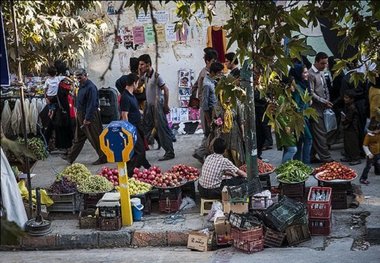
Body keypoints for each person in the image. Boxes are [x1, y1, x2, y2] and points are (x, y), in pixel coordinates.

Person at [63, 68, 107, 165]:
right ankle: (70, 157)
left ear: (85, 75)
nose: (78, 79)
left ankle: (103, 157)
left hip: (90, 115)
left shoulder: (91, 87)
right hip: (81, 114)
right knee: (79, 137)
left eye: (80, 77)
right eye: (77, 77)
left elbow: (92, 104)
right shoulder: (81, 87)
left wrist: (87, 118)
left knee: (95, 137)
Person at [138, 54, 175, 161]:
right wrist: (140, 74)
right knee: (146, 127)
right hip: (149, 106)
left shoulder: (157, 76)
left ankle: (169, 152)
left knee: (162, 129)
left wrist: (166, 105)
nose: (140, 66)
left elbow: (166, 90)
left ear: (148, 64)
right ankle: (155, 139)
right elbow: (138, 86)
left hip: (157, 107)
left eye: (142, 64)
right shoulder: (145, 76)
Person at [119, 73, 151, 175]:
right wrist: (128, 132)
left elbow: (134, 110)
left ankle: (146, 166)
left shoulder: (131, 95)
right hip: (132, 128)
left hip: (138, 125)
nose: (138, 85)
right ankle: (129, 173)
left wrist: (144, 113)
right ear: (134, 83)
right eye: (137, 82)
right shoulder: (125, 97)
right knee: (139, 150)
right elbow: (124, 115)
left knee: (142, 148)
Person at [308, 52, 334, 163]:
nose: (325, 66)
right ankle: (327, 159)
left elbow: (325, 87)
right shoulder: (311, 74)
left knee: (320, 134)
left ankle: (312, 156)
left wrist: (327, 100)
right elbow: (311, 93)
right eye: (322, 63)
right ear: (316, 62)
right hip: (315, 110)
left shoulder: (322, 72)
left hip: (323, 108)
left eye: (326, 63)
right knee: (321, 134)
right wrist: (324, 101)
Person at [290, 63, 313, 165]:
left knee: (299, 141)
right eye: (304, 72)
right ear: (299, 74)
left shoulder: (302, 84)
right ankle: (306, 165)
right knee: (308, 139)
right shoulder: (298, 87)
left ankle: (298, 165)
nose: (307, 74)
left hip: (303, 117)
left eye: (307, 72)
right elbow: (297, 105)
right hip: (300, 118)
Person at [340, 90, 361, 165]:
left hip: (352, 128)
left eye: (347, 98)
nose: (345, 99)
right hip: (348, 127)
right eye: (345, 97)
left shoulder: (352, 107)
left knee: (353, 143)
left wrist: (343, 119)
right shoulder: (348, 106)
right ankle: (348, 156)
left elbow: (349, 119)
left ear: (352, 99)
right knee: (347, 143)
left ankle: (356, 158)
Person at [53, 78, 74, 154]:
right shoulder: (66, 91)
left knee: (63, 130)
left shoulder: (59, 90)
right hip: (67, 114)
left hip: (63, 115)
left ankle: (64, 147)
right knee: (68, 130)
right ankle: (68, 146)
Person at [359, 119, 380, 184]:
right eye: (376, 130)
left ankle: (377, 171)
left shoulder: (379, 134)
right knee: (368, 166)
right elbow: (364, 145)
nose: (377, 131)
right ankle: (363, 178)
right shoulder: (369, 136)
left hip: (378, 152)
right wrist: (368, 153)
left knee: (377, 163)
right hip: (371, 154)